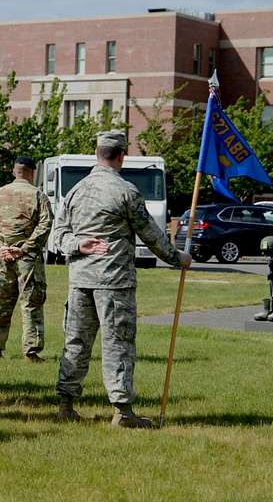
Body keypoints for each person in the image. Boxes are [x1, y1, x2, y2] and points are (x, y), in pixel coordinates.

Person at [52, 131, 192, 428]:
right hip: (113, 282)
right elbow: (152, 235)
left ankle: (66, 405)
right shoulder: (126, 191)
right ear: (121, 156)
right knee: (118, 343)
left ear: (97, 153)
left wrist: (78, 245)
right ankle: (123, 412)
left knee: (75, 342)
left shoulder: (75, 191)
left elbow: (58, 236)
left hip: (79, 280)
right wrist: (178, 259)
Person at [0, 157, 53, 362]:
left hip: (3, 257)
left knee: (1, 300)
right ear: (32, 172)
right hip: (27, 259)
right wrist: (25, 248)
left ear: (14, 171)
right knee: (31, 302)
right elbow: (45, 224)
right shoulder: (37, 195)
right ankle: (31, 351)